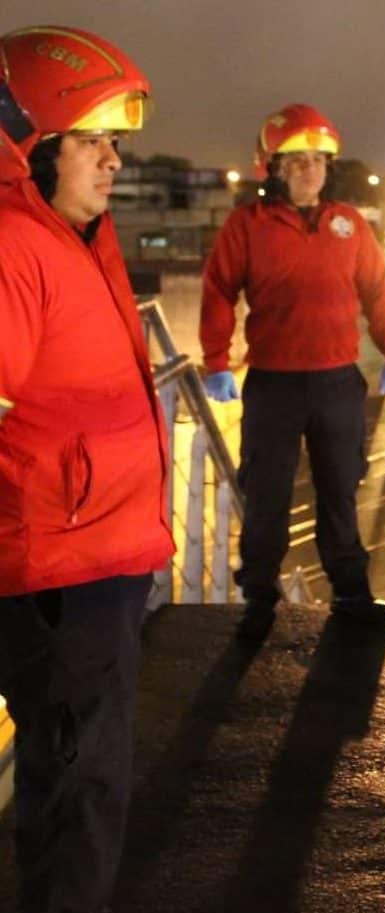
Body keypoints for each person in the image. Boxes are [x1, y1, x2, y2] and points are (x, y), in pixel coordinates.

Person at [0, 25, 174, 912]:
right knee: (78, 795)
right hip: (61, 571)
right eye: (92, 140)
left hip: (97, 556)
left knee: (83, 784)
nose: (113, 159)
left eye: (117, 141)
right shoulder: (16, 246)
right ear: (32, 145)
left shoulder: (75, 234)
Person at [200, 103, 385, 640]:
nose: (309, 170)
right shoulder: (247, 225)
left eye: (318, 160)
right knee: (266, 490)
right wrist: (217, 361)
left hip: (338, 382)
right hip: (273, 383)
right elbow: (219, 291)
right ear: (271, 168)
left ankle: (350, 591)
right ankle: (259, 596)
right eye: (296, 162)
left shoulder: (351, 225)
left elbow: (378, 294)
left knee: (340, 488)